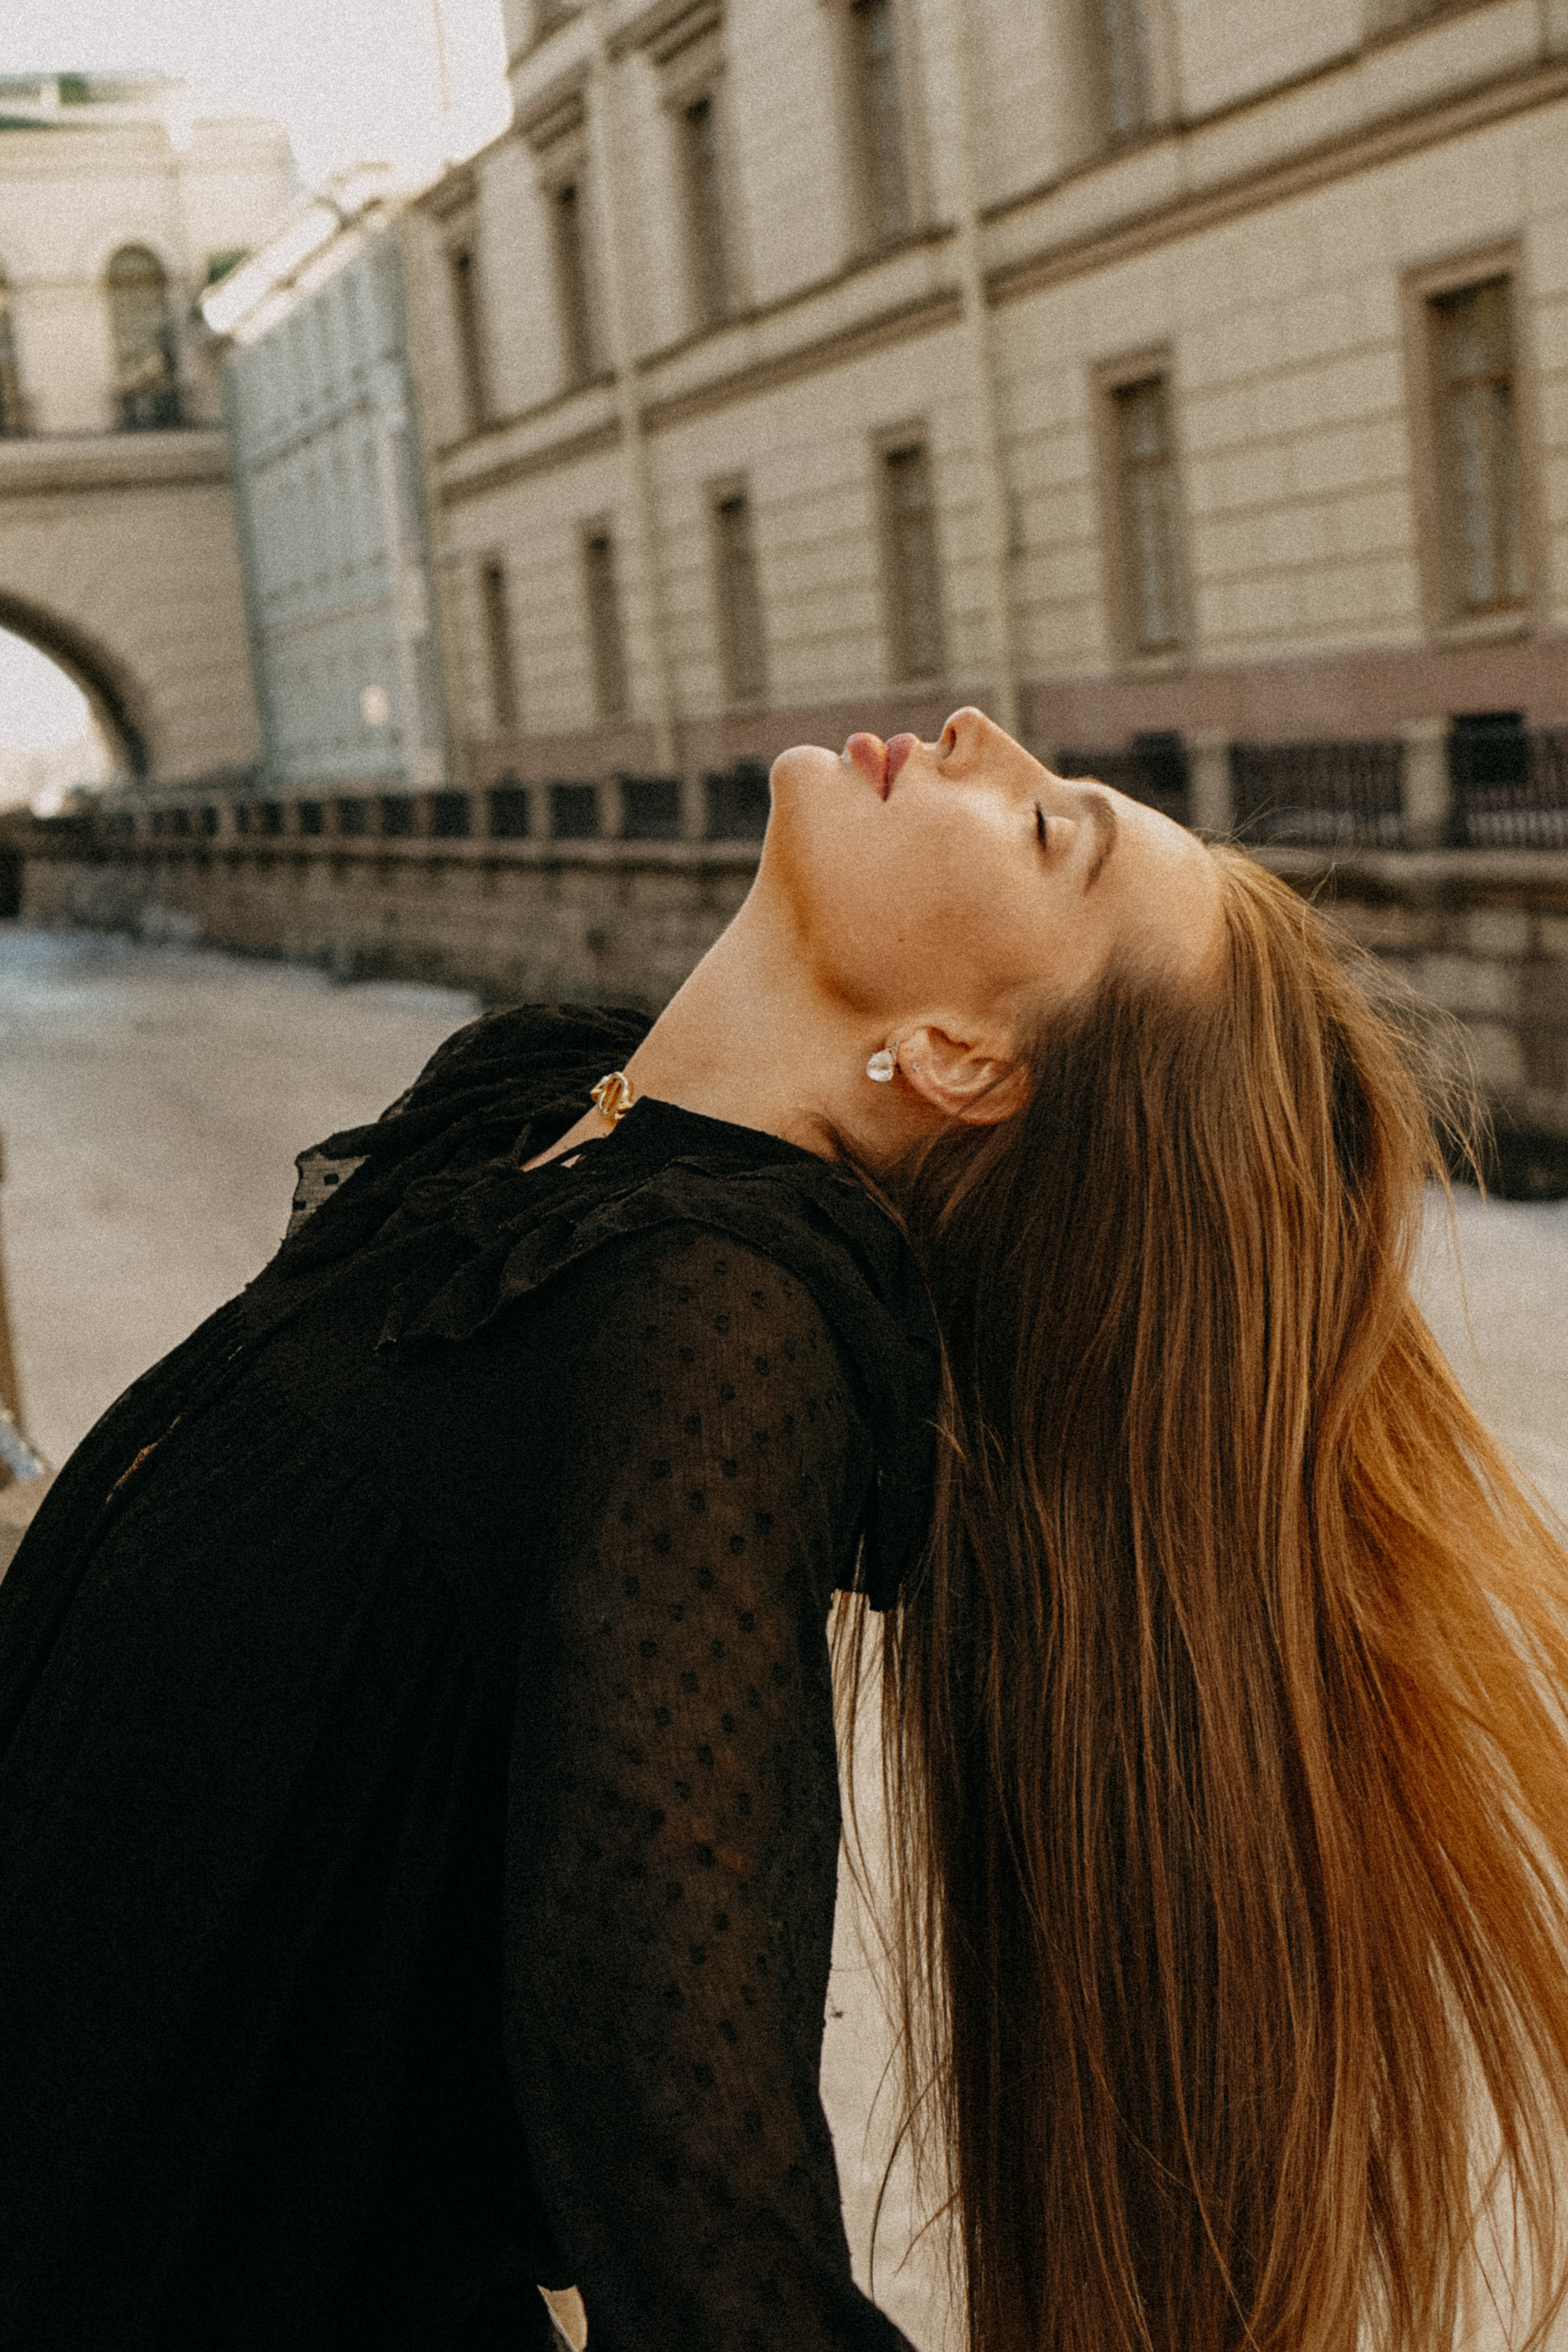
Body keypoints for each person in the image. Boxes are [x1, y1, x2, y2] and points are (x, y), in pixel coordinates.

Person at [1, 707, 1567, 2352]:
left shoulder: (716, 1330)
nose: (984, 735)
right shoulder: (533, 1132)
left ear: (964, 1054)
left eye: (1049, 832)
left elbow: (692, 2187)